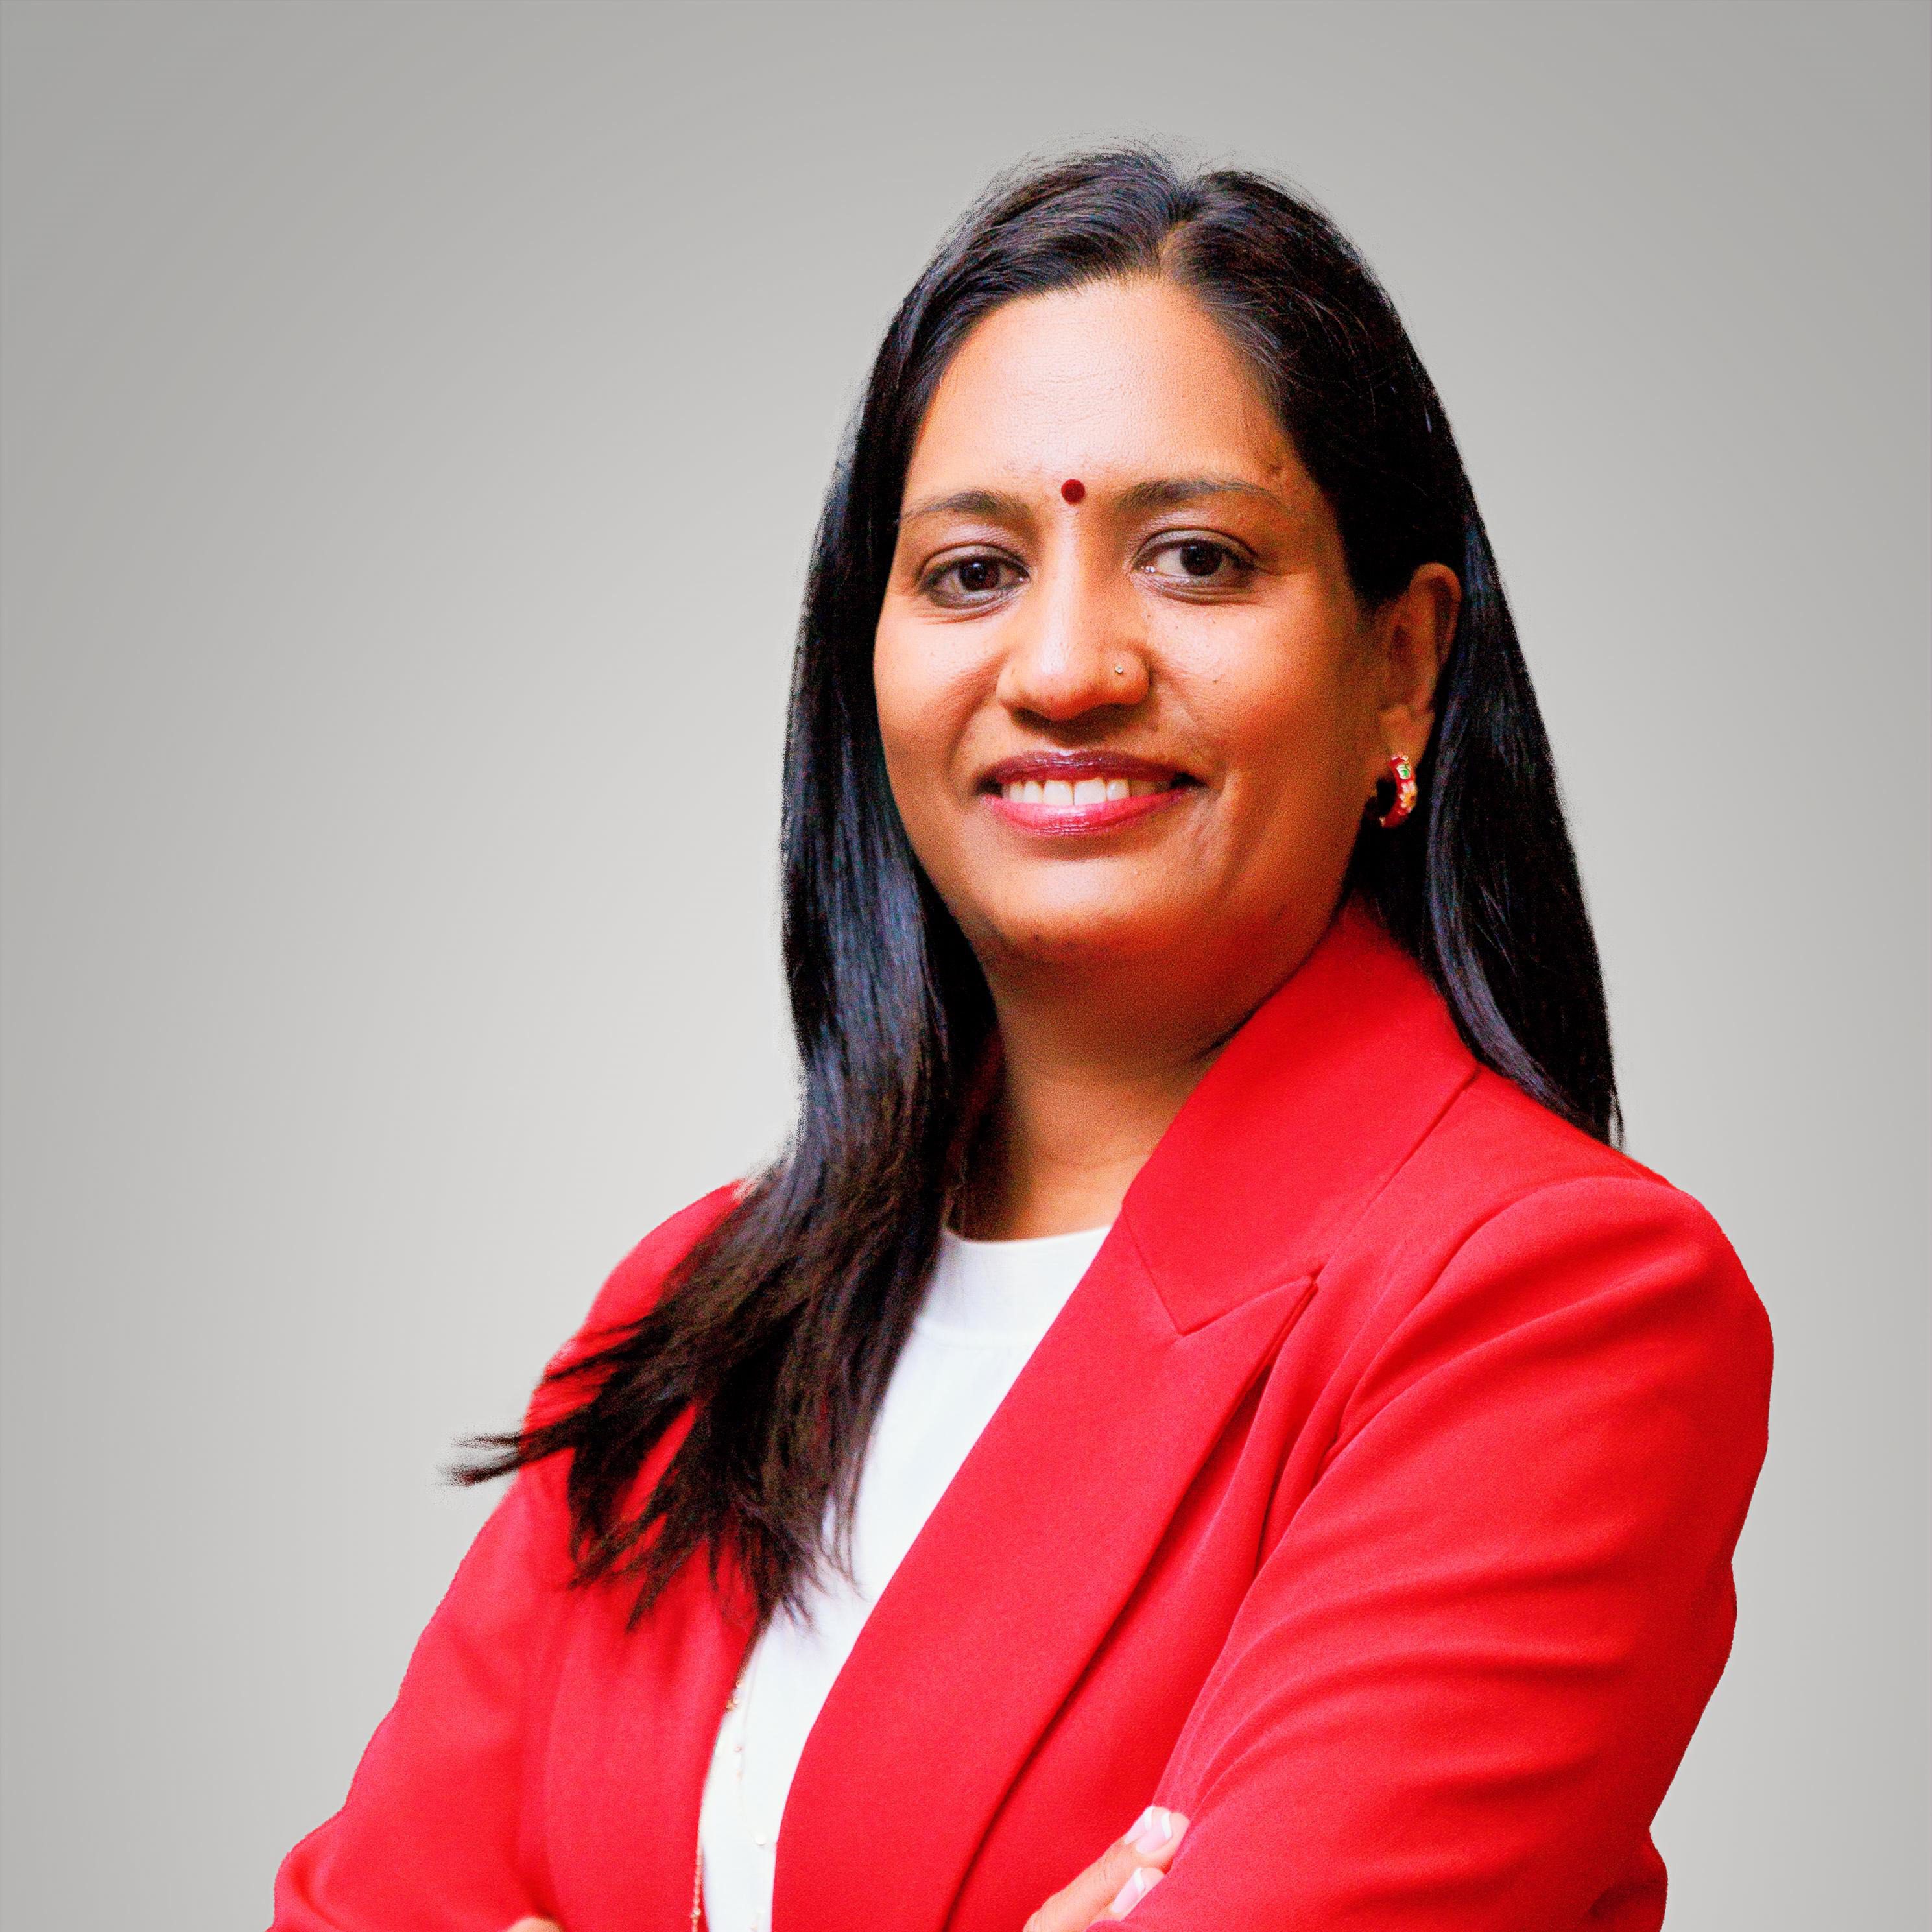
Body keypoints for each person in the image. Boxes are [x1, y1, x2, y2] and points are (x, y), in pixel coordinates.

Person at [269, 149, 1773, 1932]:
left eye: (1195, 559)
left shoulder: (1551, 1305)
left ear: (1400, 665)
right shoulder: (694, 1313)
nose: (1063, 668)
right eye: (972, 570)